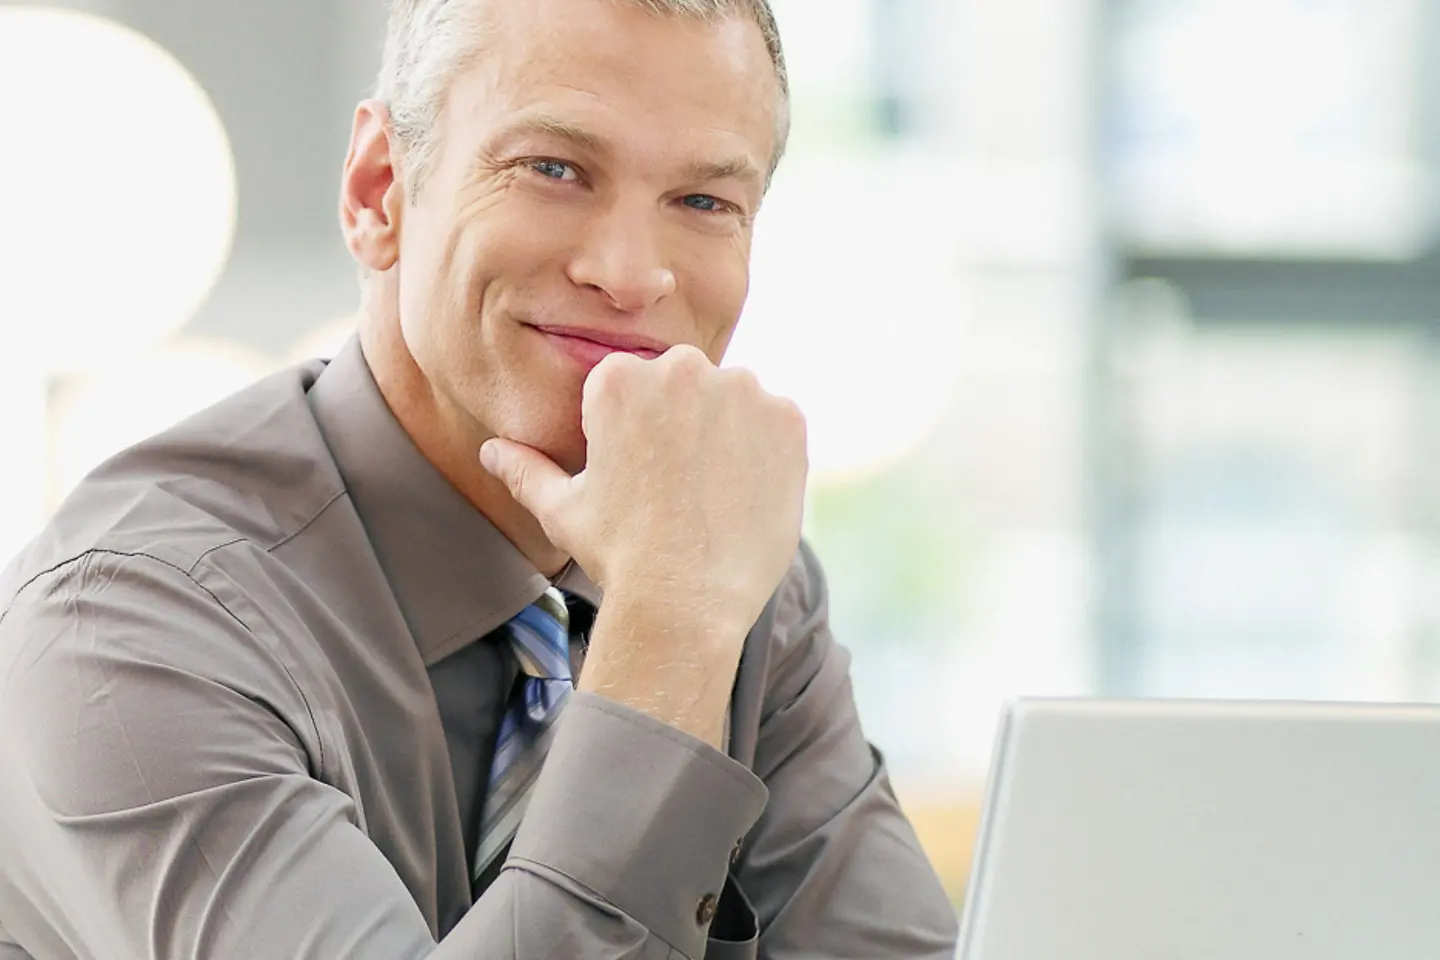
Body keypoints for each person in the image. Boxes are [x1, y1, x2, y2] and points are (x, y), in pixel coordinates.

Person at [0, 0, 959, 957]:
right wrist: (666, 644)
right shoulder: (123, 628)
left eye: (704, 202)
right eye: (554, 170)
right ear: (380, 191)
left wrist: (686, 611)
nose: (629, 274)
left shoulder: (732, 579)